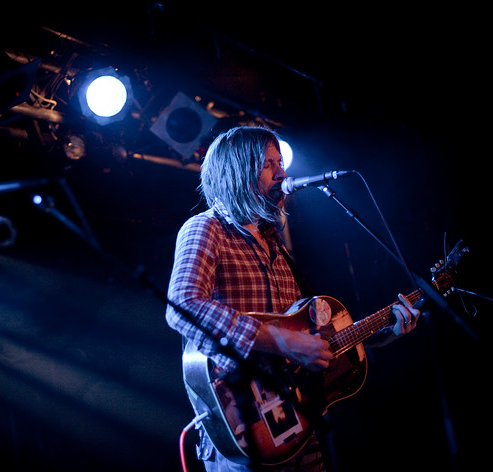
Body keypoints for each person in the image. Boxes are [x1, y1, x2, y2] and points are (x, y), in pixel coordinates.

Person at [165, 126, 420, 472]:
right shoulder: (207, 228)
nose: (283, 173)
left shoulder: (277, 246)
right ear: (237, 170)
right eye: (269, 164)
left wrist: (383, 332)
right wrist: (283, 342)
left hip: (300, 427)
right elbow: (183, 306)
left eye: (280, 162)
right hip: (246, 428)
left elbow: (308, 343)